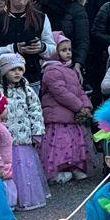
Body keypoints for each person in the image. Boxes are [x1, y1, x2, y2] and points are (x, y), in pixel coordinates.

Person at [0, 53, 49, 211]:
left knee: (25, 171)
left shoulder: (27, 90)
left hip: (24, 139)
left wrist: (37, 132)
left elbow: (36, 111)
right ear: (4, 71)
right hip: (7, 140)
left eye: (20, 69)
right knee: (9, 170)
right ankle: (11, 200)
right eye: (13, 70)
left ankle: (26, 199)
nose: (17, 73)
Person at [38, 37, 96, 184]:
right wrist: (79, 106)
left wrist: (86, 105)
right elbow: (61, 93)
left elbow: (79, 90)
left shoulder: (70, 70)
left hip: (72, 116)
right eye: (63, 50)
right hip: (58, 116)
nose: (68, 53)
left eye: (69, 50)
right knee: (60, 144)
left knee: (75, 142)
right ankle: (59, 170)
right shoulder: (51, 70)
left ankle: (74, 167)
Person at [0, 0, 56, 78]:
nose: (22, 1)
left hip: (33, 76)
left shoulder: (41, 17)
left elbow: (52, 48)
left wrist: (42, 47)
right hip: (3, 79)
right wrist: (13, 48)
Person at [31, 0, 90, 72]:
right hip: (42, 64)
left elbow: (82, 39)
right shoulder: (36, 9)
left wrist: (78, 63)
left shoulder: (76, 7)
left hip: (70, 63)